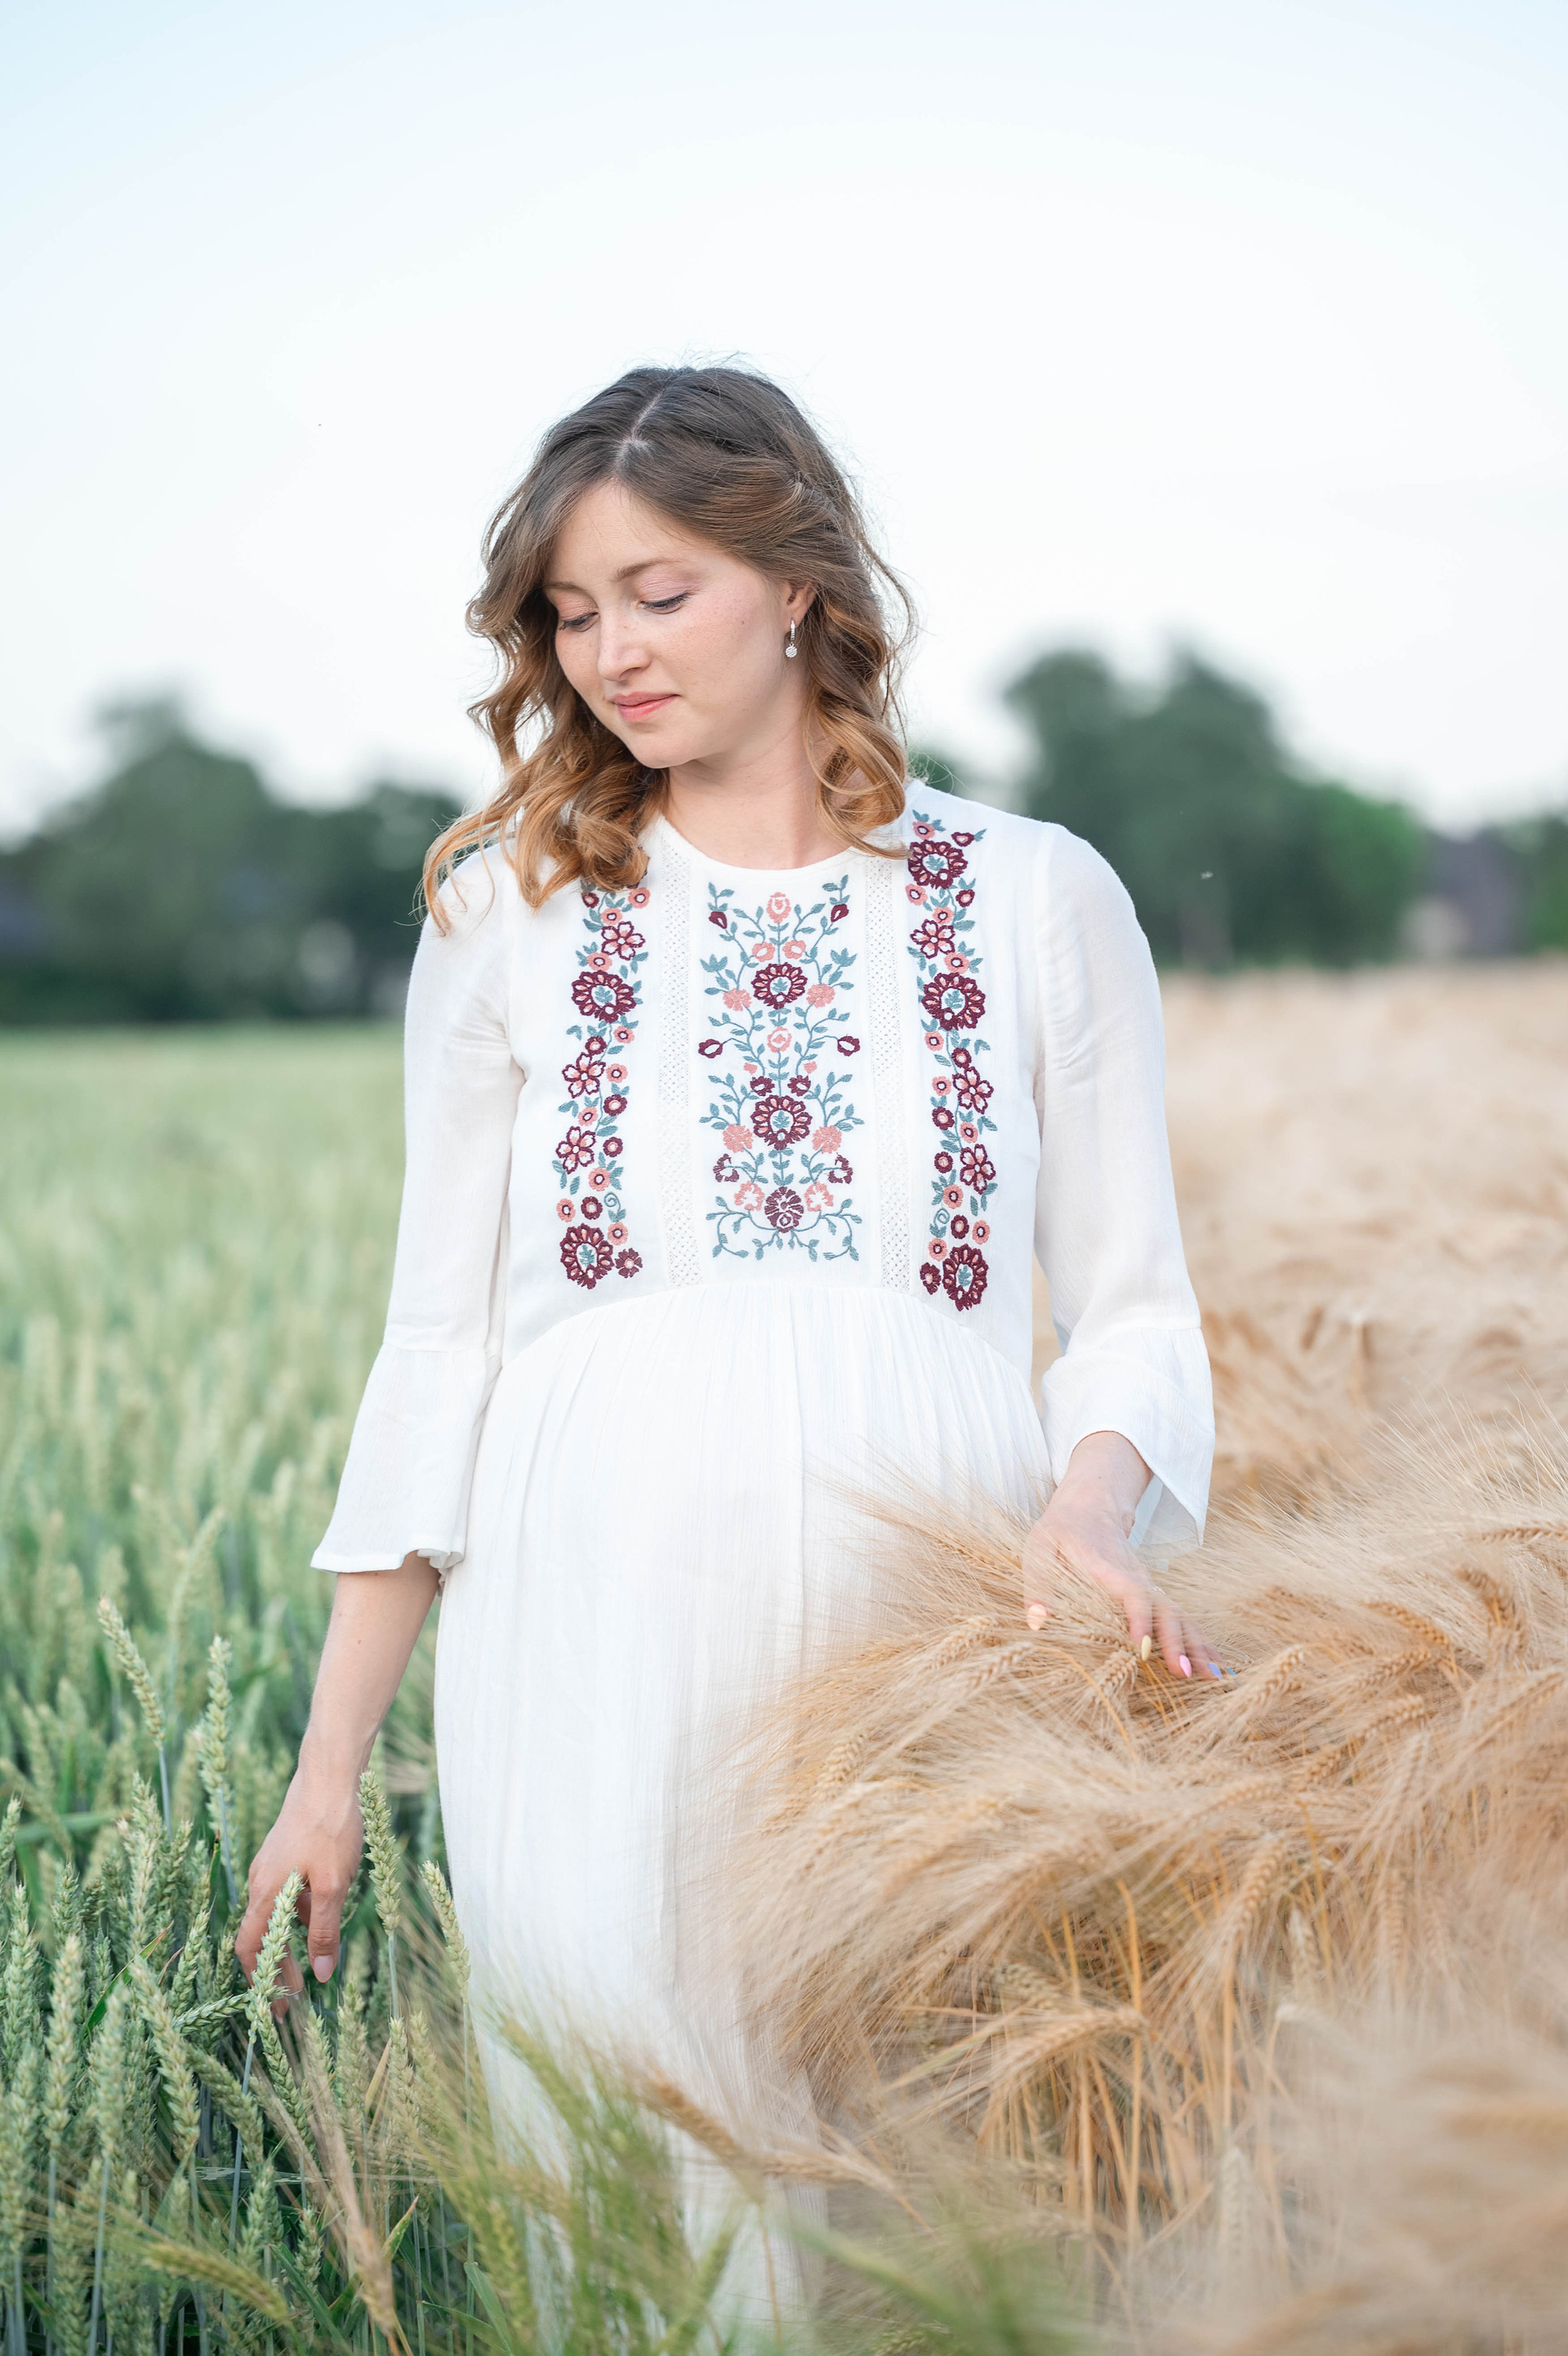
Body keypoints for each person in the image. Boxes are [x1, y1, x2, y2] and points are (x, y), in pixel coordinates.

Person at [238, 363, 1216, 2305]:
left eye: (658, 592)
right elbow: (436, 1354)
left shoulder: (1033, 897)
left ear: (796, 583)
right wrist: (329, 1764)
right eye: (570, 613)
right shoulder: (507, 918)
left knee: (916, 2201)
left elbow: (1130, 1310)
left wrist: (1088, 1513)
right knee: (634, 2204)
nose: (610, 653)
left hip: (920, 1627)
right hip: (581, 1633)